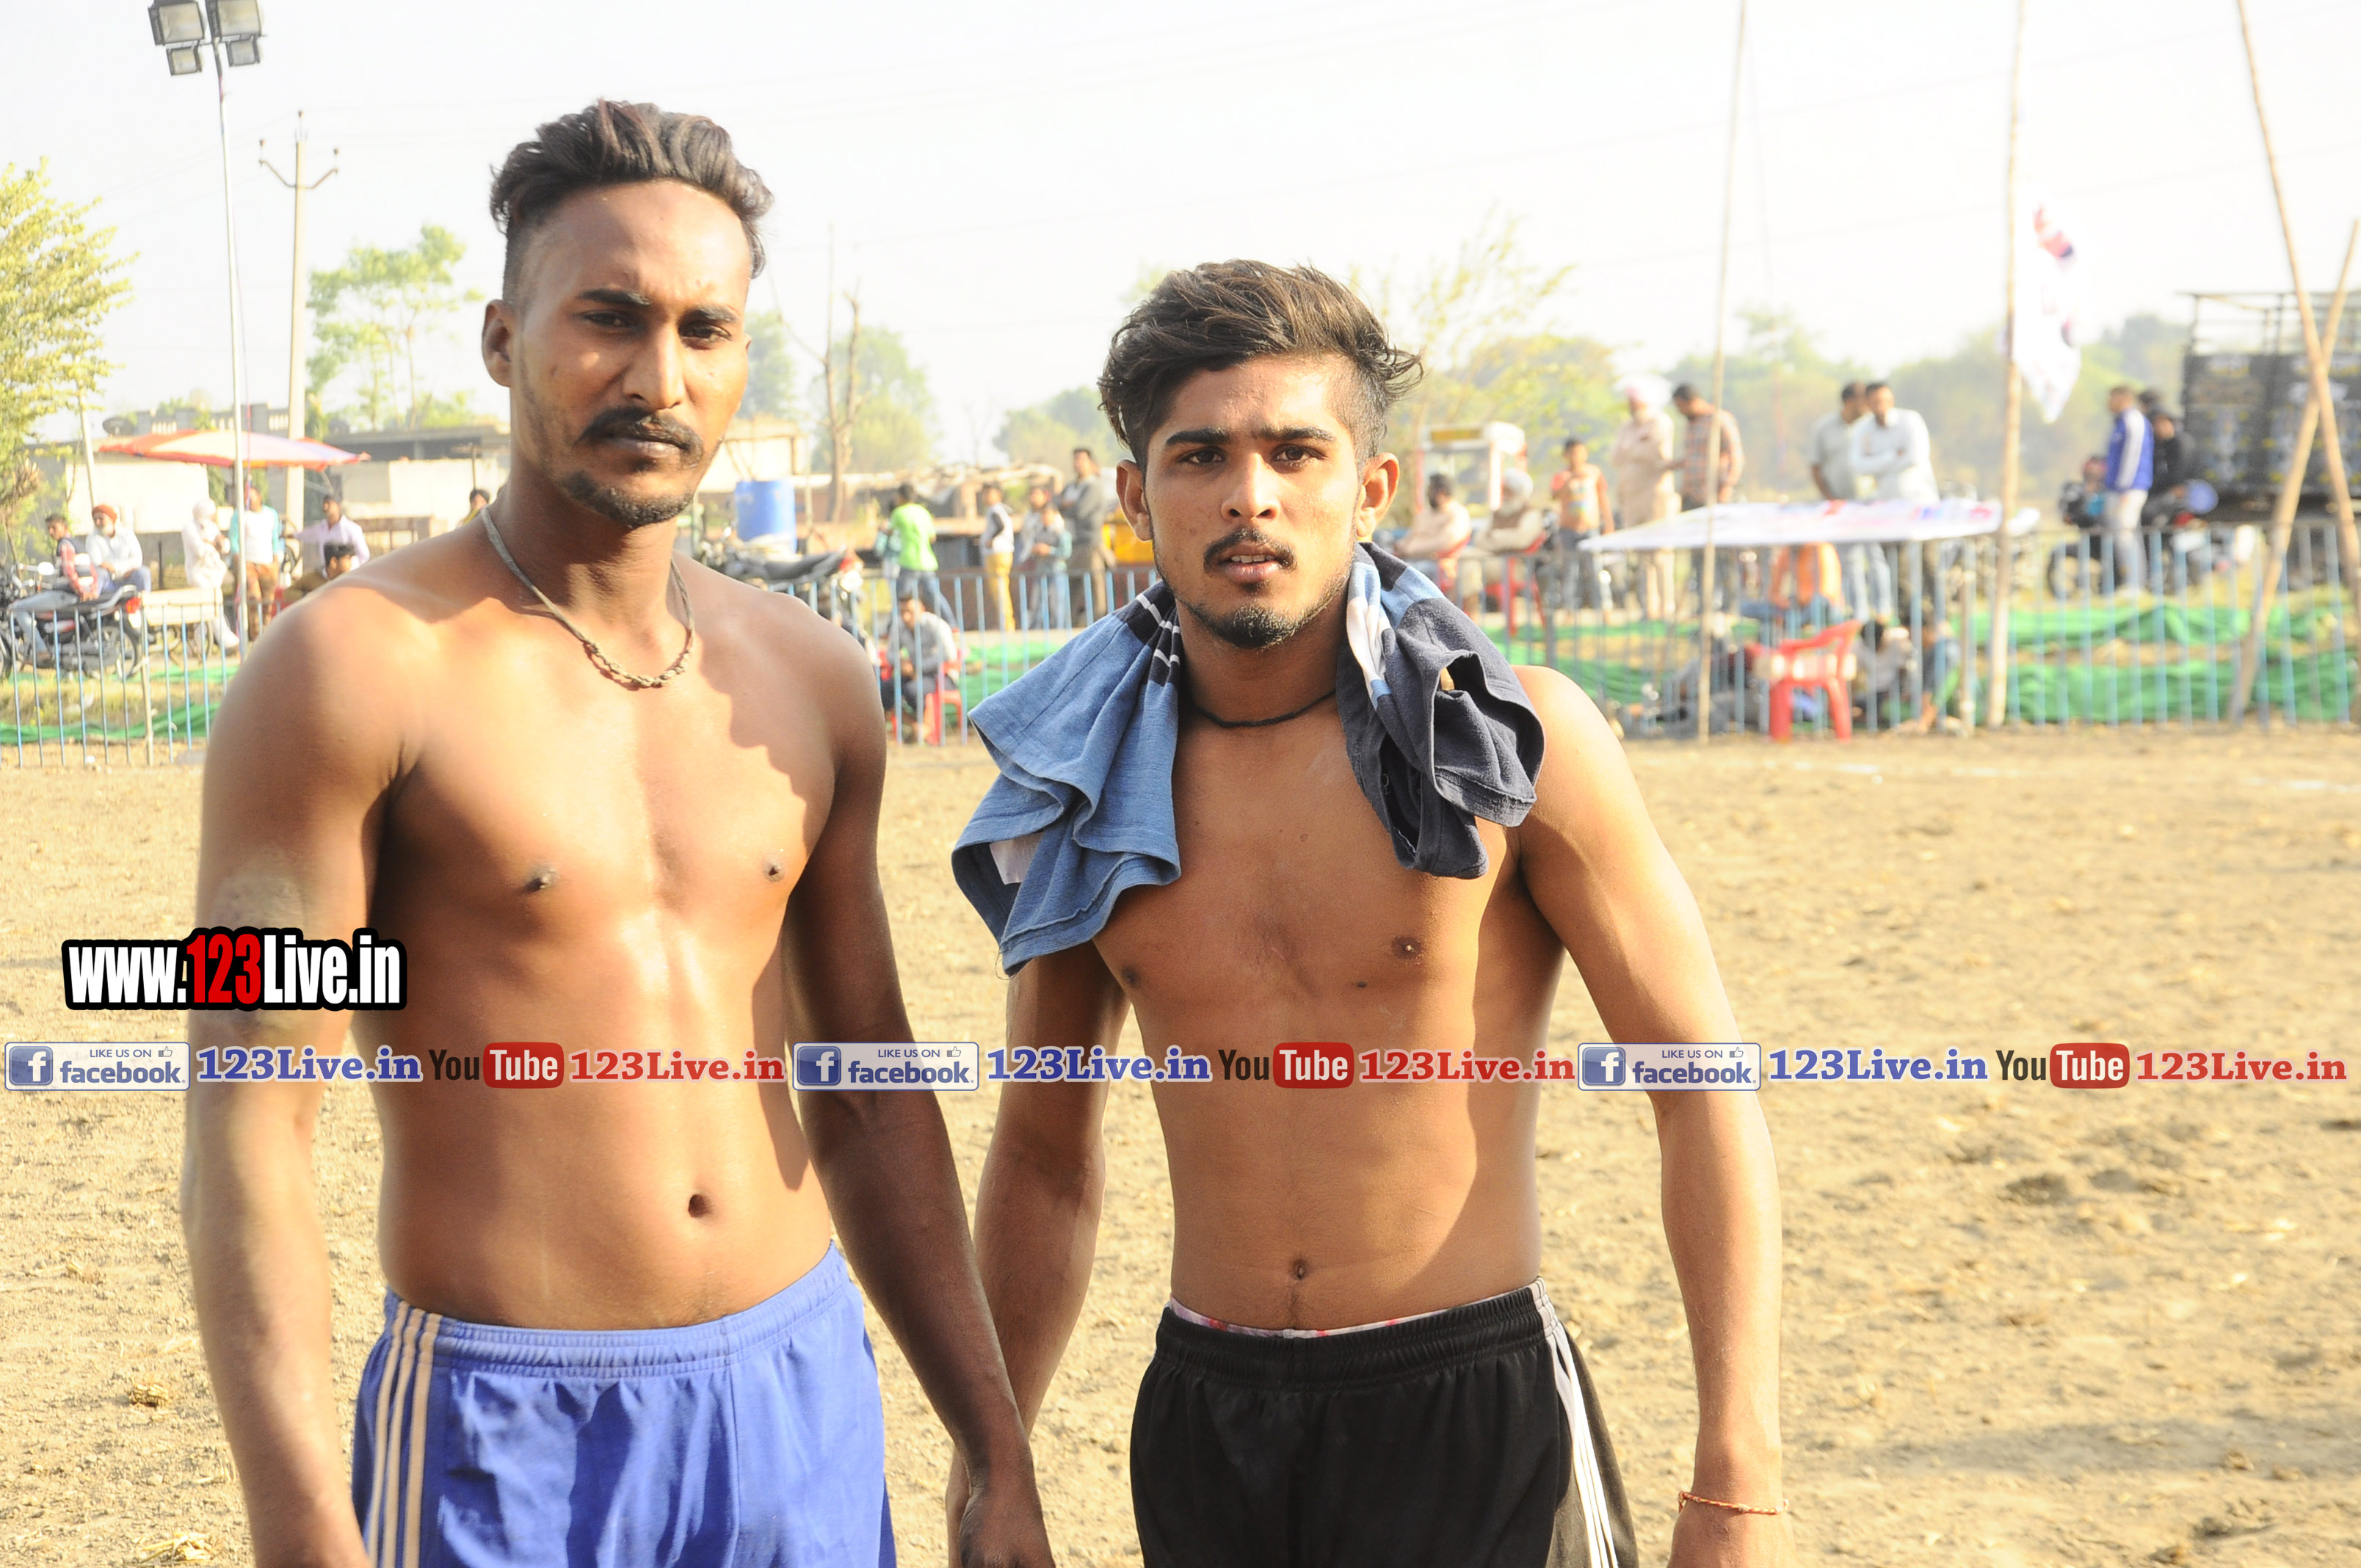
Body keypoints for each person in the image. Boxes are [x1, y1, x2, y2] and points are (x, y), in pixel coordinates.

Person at [180, 99, 1051, 1568]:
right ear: (503, 338)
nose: (659, 376)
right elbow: (248, 1124)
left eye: (705, 330)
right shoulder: (343, 669)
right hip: (508, 1433)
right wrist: (300, 1528)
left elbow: (870, 1093)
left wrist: (994, 1447)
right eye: (608, 317)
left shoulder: (814, 683)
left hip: (799, 1399)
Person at [950, 261, 1790, 1568]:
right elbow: (1045, 1156)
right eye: (1200, 456)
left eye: (1296, 452)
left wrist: (1740, 1479)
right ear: (1134, 497)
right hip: (1208, 1418)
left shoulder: (1513, 743)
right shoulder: (1086, 782)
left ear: (1371, 487)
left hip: (1472, 1408)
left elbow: (1702, 1086)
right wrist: (992, 1465)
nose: (1251, 496)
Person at [1808, 383, 1893, 624]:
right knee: (1850, 561)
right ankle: (1859, 614)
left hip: (1869, 504)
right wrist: (1831, 500)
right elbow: (1816, 467)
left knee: (1876, 556)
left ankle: (1883, 611)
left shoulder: (1870, 427)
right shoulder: (1824, 428)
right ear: (1850, 402)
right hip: (1840, 505)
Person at [1609, 376, 1680, 620]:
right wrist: (1636, 446)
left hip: (1656, 495)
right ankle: (1649, 607)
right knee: (1640, 556)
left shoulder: (1660, 422)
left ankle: (1667, 607)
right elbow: (1616, 457)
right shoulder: (1627, 428)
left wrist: (1633, 449)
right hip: (1631, 497)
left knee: (1660, 554)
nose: (1632, 406)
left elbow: (1656, 453)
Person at [1468, 466, 1552, 620]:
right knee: (1466, 560)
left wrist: (1495, 537)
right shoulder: (1498, 514)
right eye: (1504, 490)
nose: (1505, 495)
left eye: (1509, 491)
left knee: (1468, 565)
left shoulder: (1532, 514)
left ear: (1519, 493)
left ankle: (1467, 616)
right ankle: (1466, 614)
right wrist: (1501, 540)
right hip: (1491, 561)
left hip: (1516, 566)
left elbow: (1521, 539)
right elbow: (1480, 540)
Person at [1548, 436, 1615, 611]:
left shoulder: (1594, 473)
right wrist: (1569, 481)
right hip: (1568, 529)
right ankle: (1569, 610)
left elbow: (1603, 499)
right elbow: (1554, 496)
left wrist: (1609, 523)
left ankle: (1604, 608)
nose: (1576, 457)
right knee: (1570, 571)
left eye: (1579, 453)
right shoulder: (1562, 476)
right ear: (1565, 455)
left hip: (1590, 528)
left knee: (1596, 569)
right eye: (1572, 453)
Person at [881, 591, 963, 731]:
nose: (906, 617)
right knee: (883, 690)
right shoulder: (899, 625)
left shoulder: (936, 625)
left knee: (913, 690)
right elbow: (890, 654)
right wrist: (901, 663)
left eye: (910, 612)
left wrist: (919, 667)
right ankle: (916, 726)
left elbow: (949, 655)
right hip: (911, 674)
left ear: (922, 609)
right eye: (902, 612)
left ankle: (928, 727)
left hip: (939, 675)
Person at [2102, 383, 2153, 595]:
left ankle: (2136, 583)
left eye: (2112, 398)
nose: (2108, 403)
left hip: (2129, 489)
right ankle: (2128, 580)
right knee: (2120, 536)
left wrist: (2124, 487)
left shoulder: (2133, 420)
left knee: (2126, 535)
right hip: (2118, 488)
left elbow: (2133, 456)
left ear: (2122, 398)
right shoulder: (2120, 422)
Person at [1848, 382, 1936, 504]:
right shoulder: (1862, 429)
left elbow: (1915, 458)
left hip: (1919, 500)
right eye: (1876, 402)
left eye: (1885, 401)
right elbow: (1859, 466)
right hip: (1885, 502)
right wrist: (1893, 456)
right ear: (1867, 403)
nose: (1882, 406)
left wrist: (1875, 464)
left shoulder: (1910, 421)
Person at [1059, 448, 1117, 614]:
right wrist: (1066, 506)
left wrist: (1068, 505)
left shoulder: (1094, 486)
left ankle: (1099, 620)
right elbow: (1057, 504)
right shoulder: (1072, 487)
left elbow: (1080, 510)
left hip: (1091, 543)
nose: (1077, 464)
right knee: (1073, 587)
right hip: (1073, 543)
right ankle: (1072, 623)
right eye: (1075, 460)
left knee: (1095, 587)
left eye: (1082, 460)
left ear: (1091, 463)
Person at [1397, 471, 1472, 596]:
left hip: (1439, 566)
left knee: (1411, 574)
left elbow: (1446, 541)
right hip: (1413, 561)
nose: (1427, 493)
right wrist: (1401, 546)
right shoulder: (1424, 514)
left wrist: (1412, 549)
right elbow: (1410, 538)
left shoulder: (1458, 513)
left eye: (1430, 490)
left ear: (1441, 492)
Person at [882, 481, 949, 618]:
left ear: (900, 497)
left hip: (909, 561)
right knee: (933, 595)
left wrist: (881, 529)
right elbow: (932, 538)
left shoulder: (899, 513)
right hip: (926, 561)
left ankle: (894, 625)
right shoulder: (924, 512)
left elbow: (889, 532)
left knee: (901, 596)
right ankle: (952, 623)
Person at [1671, 383, 1744, 510]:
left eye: (1681, 407)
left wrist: (1727, 486)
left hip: (1714, 494)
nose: (1680, 411)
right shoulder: (1691, 423)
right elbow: (1694, 457)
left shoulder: (1719, 420)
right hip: (1692, 495)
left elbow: (1735, 454)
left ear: (1693, 401)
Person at [286, 495, 372, 602]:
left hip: (346, 578)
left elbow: (364, 556)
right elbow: (306, 535)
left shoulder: (351, 529)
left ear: (338, 506)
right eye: (324, 504)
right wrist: (289, 535)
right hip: (326, 575)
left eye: (329, 504)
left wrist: (348, 568)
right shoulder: (321, 528)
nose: (326, 507)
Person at [181, 498, 239, 650]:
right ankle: (225, 639)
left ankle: (197, 645)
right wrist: (212, 544)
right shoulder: (189, 528)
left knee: (206, 610)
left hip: (214, 573)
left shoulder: (212, 527)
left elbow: (225, 546)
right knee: (212, 605)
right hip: (197, 573)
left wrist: (216, 543)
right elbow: (199, 550)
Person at [1016, 484, 1070, 629]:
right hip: (1041, 570)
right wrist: (1036, 551)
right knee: (1037, 602)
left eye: (1047, 514)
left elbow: (1066, 552)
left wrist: (1049, 551)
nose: (1045, 517)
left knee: (1057, 603)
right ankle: (1035, 628)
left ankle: (1058, 628)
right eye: (1043, 515)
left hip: (1056, 570)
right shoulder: (1038, 532)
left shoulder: (1061, 533)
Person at [84, 504, 152, 595]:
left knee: (143, 572)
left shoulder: (127, 534)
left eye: (101, 519)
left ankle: (145, 601)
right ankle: (94, 600)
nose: (97, 523)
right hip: (108, 581)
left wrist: (117, 569)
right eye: (95, 519)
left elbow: (137, 560)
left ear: (111, 519)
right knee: (100, 573)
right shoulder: (92, 538)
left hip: (129, 578)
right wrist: (123, 569)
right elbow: (98, 563)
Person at [979, 481, 1019, 631]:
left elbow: (1000, 525)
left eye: (989, 493)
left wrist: (991, 539)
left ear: (998, 495)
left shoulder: (995, 510)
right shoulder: (999, 510)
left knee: (1000, 589)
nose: (986, 497)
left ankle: (1007, 624)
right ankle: (1005, 622)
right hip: (1002, 552)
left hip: (997, 553)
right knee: (1000, 589)